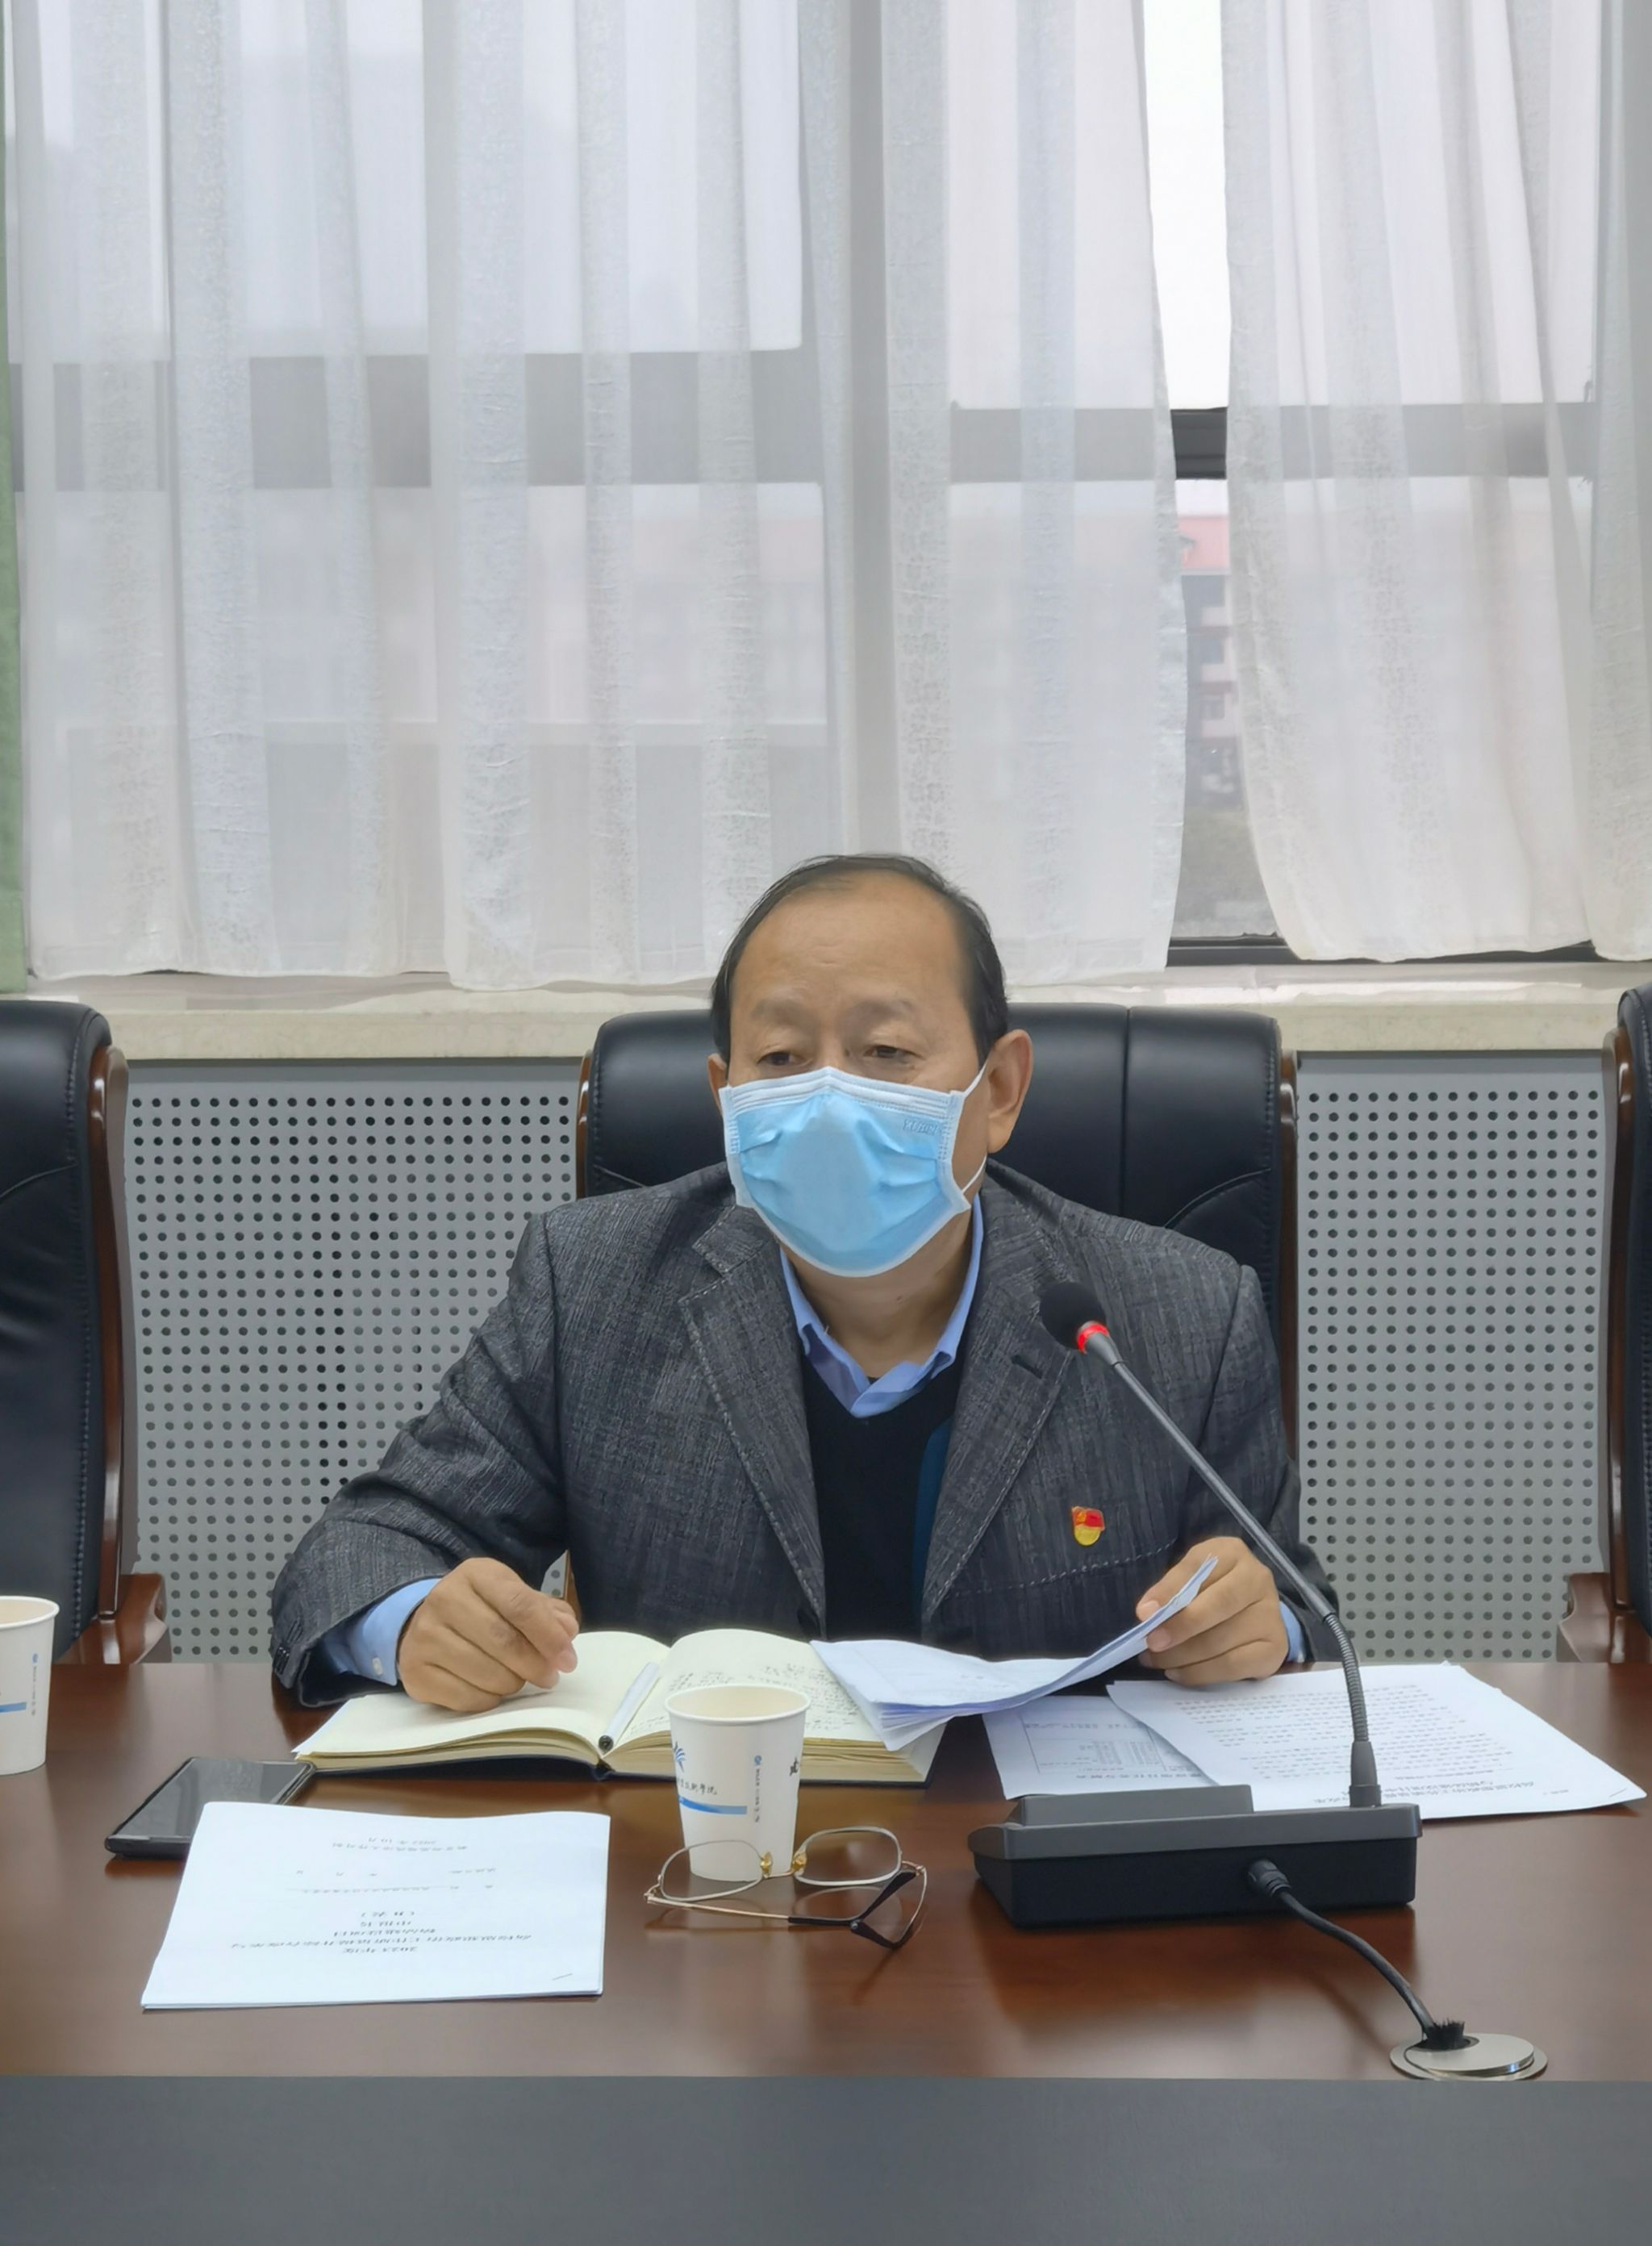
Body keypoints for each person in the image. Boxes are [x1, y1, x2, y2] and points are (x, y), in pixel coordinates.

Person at [271, 854, 1337, 1710]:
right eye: (781, 1059)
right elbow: (353, 1555)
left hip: (1035, 1878)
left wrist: (1264, 1627)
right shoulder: (590, 1287)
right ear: (724, 1095)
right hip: (702, 1872)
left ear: (1001, 1090)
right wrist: (411, 1623)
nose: (830, 1100)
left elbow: (1295, 1606)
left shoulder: (1176, 1315)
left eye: (886, 1051)